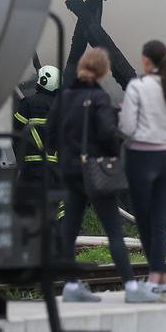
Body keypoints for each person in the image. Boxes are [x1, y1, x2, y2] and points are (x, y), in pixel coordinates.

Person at [49, 48, 148, 303]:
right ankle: (131, 287)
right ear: (103, 71)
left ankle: (71, 285)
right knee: (114, 230)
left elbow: (49, 134)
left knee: (69, 229)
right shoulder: (99, 98)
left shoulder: (64, 96)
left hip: (69, 170)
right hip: (94, 171)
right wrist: (114, 151)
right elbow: (107, 133)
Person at [120, 39, 166, 299]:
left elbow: (127, 128)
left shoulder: (137, 87)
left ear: (145, 60)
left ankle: (154, 278)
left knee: (144, 220)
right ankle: (160, 278)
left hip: (142, 158)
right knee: (161, 220)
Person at [12, 65, 62, 210]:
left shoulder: (28, 104)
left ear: (40, 82)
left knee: (24, 205)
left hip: (31, 167)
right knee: (53, 206)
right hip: (54, 168)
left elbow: (15, 127)